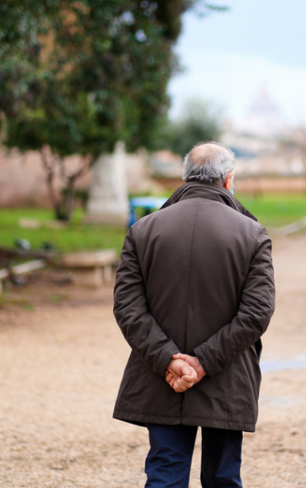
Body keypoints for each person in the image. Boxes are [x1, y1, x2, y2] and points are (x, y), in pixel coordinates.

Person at [112, 141, 276, 488]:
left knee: (165, 474)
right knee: (222, 477)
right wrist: (203, 362)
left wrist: (170, 359)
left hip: (162, 377)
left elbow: (128, 306)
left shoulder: (143, 231)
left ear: (185, 178)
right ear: (228, 180)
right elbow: (257, 313)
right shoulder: (252, 234)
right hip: (226, 375)